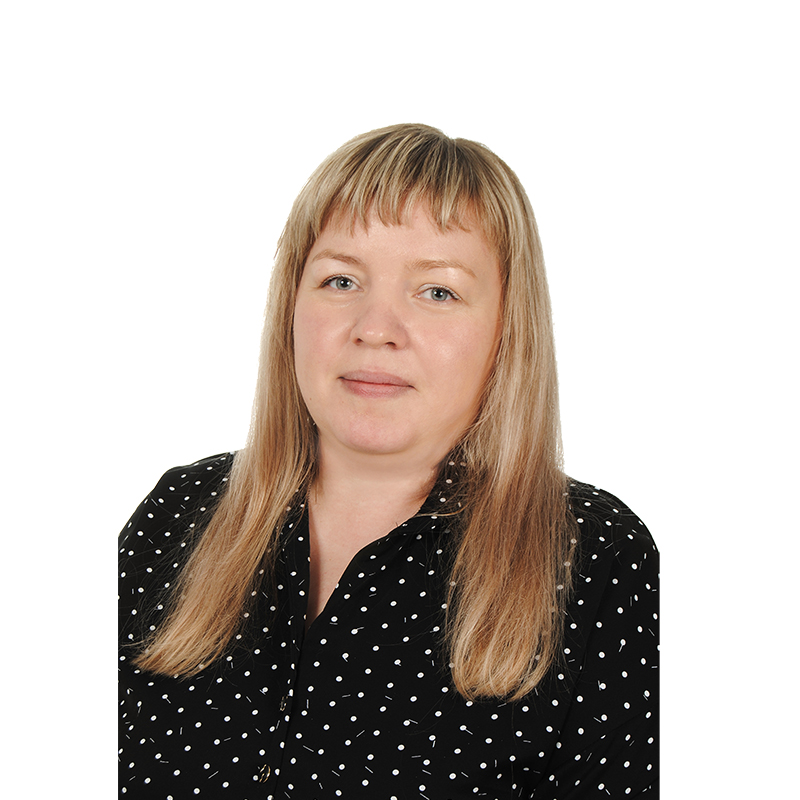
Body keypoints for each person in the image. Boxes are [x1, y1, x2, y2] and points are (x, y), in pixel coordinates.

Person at [118, 123, 659, 798]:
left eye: (437, 292)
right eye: (341, 280)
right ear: (291, 306)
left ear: (506, 328)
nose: (375, 328)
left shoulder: (599, 559)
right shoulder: (179, 514)